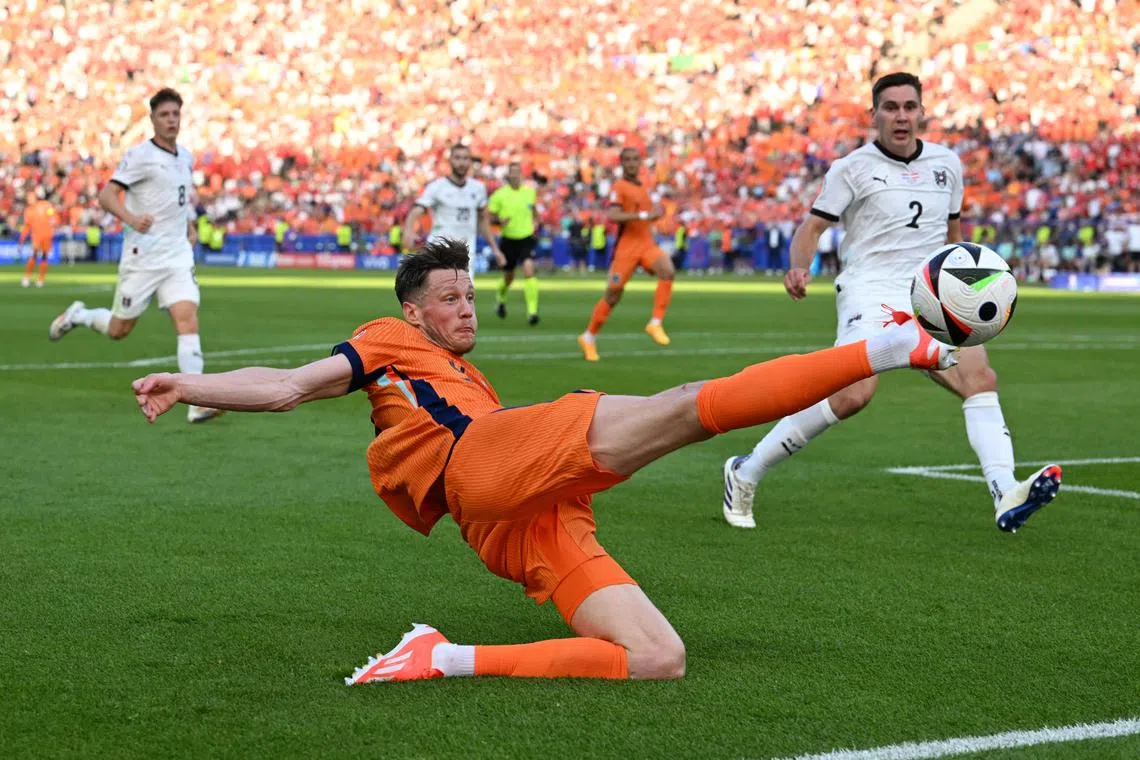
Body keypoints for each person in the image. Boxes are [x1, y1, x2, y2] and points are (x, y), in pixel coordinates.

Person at [131, 238, 956, 683]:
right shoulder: (389, 340)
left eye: (467, 294)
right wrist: (189, 379)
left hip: (507, 520)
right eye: (448, 299)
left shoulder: (464, 372)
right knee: (683, 410)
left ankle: (440, 656)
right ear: (412, 311)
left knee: (657, 659)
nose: (465, 309)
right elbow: (286, 386)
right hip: (486, 463)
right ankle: (883, 347)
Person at [722, 72, 1062, 534]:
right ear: (875, 114)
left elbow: (954, 237)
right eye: (890, 107)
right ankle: (745, 472)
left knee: (979, 377)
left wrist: (970, 285)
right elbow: (811, 228)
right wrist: (798, 266)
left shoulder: (948, 164)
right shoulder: (853, 167)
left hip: (934, 290)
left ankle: (1005, 492)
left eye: (908, 106)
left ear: (922, 112)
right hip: (871, 288)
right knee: (852, 394)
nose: (901, 116)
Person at [48, 87, 222, 424]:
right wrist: (130, 219)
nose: (171, 120)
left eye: (175, 114)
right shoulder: (140, 156)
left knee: (187, 319)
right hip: (143, 257)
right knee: (119, 329)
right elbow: (107, 195)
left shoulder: (185, 155)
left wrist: (189, 224)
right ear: (153, 119)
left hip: (176, 257)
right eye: (164, 115)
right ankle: (79, 315)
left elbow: (180, 197)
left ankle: (197, 401)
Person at [578, 147, 676, 362]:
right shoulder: (619, 187)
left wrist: (655, 215)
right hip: (627, 248)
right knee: (613, 295)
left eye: (635, 159)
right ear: (622, 163)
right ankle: (589, 337)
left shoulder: (643, 187)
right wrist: (644, 214)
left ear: (640, 163)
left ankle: (655, 323)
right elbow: (613, 214)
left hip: (646, 243)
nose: (632, 163)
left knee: (667, 271)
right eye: (628, 160)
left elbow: (647, 216)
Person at [403, 143, 504, 282]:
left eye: (465, 158)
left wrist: (495, 249)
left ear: (470, 161)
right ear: (450, 160)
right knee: (439, 297)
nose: (461, 162)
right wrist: (408, 230)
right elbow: (416, 210)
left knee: (466, 300)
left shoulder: (478, 188)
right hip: (440, 252)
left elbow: (483, 221)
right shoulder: (437, 187)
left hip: (466, 254)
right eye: (457, 158)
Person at [488, 162, 540, 324]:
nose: (516, 175)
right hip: (508, 240)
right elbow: (489, 217)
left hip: (526, 237)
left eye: (518, 172)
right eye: (513, 173)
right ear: (508, 176)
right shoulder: (499, 195)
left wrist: (536, 222)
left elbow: (534, 210)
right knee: (508, 277)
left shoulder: (530, 192)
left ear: (522, 175)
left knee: (528, 268)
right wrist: (498, 221)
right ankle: (501, 297)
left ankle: (532, 312)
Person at [19, 193, 57, 288]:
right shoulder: (28, 211)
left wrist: (54, 222)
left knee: (44, 256)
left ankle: (41, 279)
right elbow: (27, 226)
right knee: (34, 254)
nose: (29, 199)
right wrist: (22, 239)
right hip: (36, 236)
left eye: (30, 197)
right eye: (28, 198)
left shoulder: (45, 204)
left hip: (47, 235)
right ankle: (27, 277)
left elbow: (53, 215)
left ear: (35, 197)